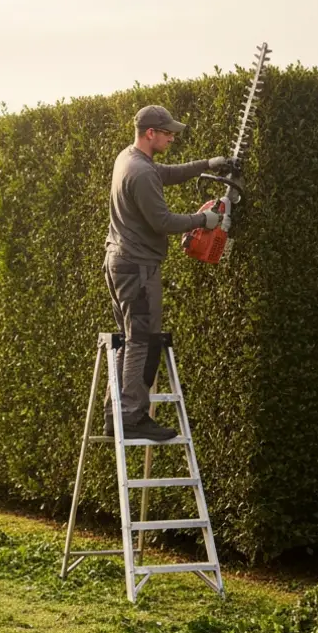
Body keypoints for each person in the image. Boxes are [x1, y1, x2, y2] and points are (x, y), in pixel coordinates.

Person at [103, 104, 234, 441]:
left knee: (128, 338)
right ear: (150, 133)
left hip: (119, 260)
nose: (172, 137)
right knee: (141, 340)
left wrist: (206, 166)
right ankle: (133, 416)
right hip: (138, 267)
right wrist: (201, 220)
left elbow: (166, 173)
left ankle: (115, 413)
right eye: (167, 132)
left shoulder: (129, 159)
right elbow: (162, 221)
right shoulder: (141, 172)